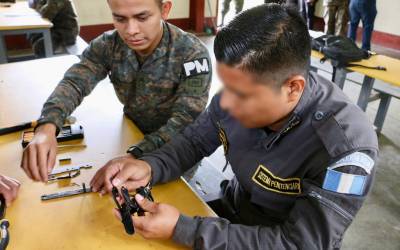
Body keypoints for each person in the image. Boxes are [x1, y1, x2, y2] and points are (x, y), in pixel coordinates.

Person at [91, 4, 379, 249]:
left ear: (292, 87)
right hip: (231, 215)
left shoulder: (347, 148)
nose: (226, 104)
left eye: (241, 95)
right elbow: (193, 142)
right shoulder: (236, 93)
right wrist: (150, 166)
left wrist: (185, 230)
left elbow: (299, 243)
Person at [20, 0, 212, 184]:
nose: (131, 30)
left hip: (174, 153)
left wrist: (135, 154)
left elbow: (185, 122)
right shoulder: (108, 45)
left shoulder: (192, 55)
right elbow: (74, 82)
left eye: (142, 17)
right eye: (120, 19)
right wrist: (47, 126)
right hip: (131, 133)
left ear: (164, 10)